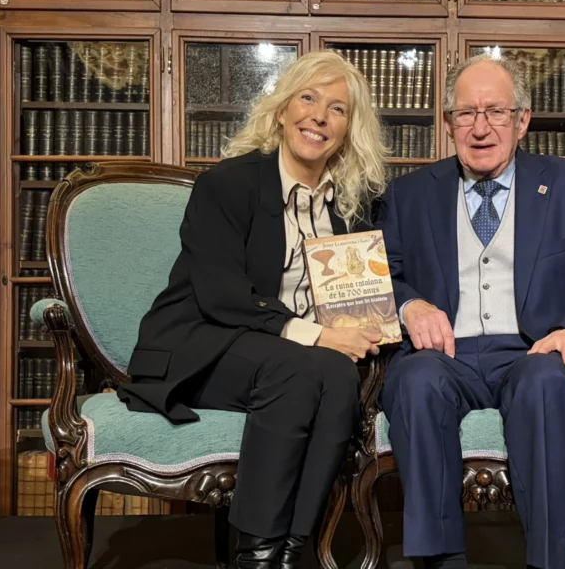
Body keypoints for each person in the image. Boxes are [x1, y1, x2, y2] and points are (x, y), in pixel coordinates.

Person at [376, 53, 565, 569]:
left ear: (522, 120)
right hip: (447, 356)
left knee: (546, 385)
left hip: (537, 352)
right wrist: (410, 304)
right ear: (448, 123)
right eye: (466, 114)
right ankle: (440, 562)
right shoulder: (410, 193)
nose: (480, 128)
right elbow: (377, 278)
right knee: (414, 382)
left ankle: (548, 562)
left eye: (496, 112)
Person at [116, 49, 390, 568]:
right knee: (301, 367)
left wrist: (361, 327)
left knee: (334, 375)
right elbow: (222, 297)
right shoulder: (229, 184)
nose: (318, 116)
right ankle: (257, 554)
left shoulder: (352, 202)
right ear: (282, 109)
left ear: (349, 128)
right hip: (202, 343)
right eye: (308, 98)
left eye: (337, 109)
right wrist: (316, 335)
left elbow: (356, 294)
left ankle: (289, 550)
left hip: (294, 357)